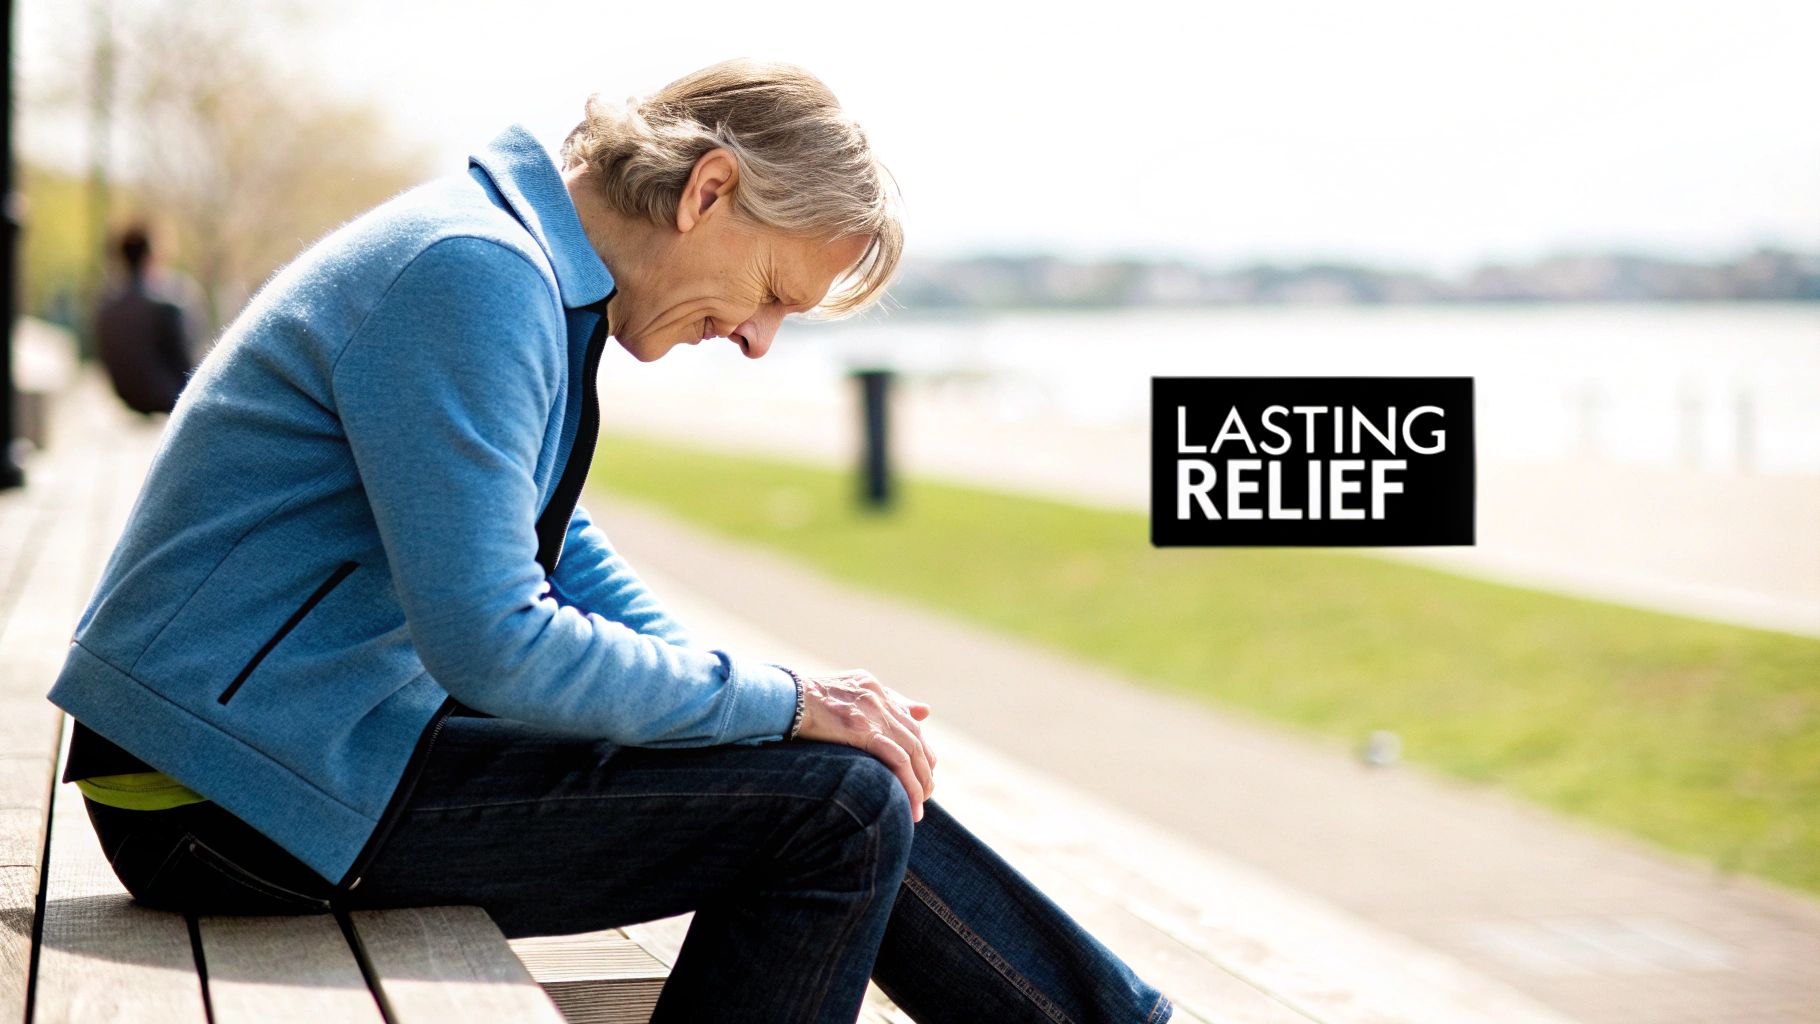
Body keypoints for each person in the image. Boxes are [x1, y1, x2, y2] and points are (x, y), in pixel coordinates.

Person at [45, 59, 1175, 1024]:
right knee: (834, 811)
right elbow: (493, 640)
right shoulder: (474, 273)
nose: (758, 342)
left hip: (297, 751)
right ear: (709, 191)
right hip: (220, 797)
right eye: (772, 293)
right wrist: (778, 705)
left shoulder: (517, 266)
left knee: (841, 773)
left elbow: (562, 554)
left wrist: (770, 711)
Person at [92, 222, 205, 416]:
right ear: (151, 256)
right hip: (167, 401)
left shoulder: (106, 309)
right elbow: (187, 367)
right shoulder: (168, 305)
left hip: (128, 401)